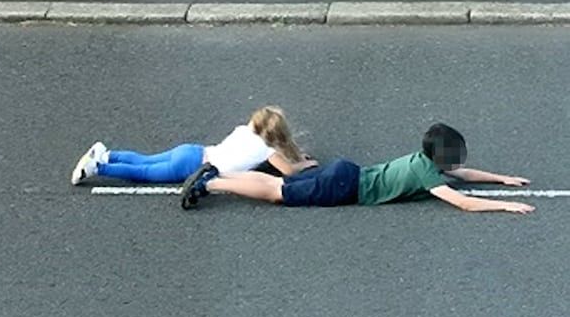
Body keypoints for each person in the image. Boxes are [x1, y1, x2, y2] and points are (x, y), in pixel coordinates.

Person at [179, 122, 534, 214]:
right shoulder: (427, 175)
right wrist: (504, 203)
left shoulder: (423, 161)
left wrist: (500, 178)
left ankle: (218, 175)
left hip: (347, 172)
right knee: (277, 193)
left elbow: (464, 174)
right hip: (346, 187)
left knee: (279, 186)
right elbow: (462, 201)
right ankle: (210, 185)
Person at [70, 105, 317, 186]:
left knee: (147, 160)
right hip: (193, 167)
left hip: (193, 150)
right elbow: (288, 172)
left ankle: (109, 154)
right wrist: (304, 163)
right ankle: (98, 168)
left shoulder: (243, 131)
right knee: (143, 174)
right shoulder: (268, 150)